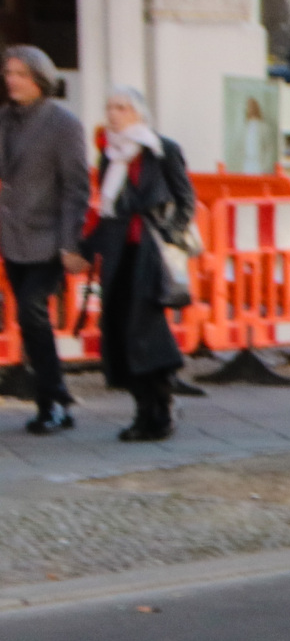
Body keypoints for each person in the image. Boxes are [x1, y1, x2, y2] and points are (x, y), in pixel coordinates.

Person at [82, 86, 194, 442]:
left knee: (144, 333)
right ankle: (145, 409)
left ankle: (158, 410)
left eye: (122, 107)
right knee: (118, 331)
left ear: (139, 114)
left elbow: (185, 201)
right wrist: (85, 248)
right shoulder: (110, 155)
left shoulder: (163, 151)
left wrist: (168, 233)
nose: (114, 114)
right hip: (119, 255)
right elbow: (108, 210)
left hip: (149, 255)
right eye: (110, 107)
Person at [0, 45, 91, 435]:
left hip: (49, 237)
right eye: (8, 72)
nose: (11, 80)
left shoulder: (62, 123)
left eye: (20, 73)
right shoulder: (5, 119)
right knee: (29, 318)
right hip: (12, 236)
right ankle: (56, 398)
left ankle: (52, 400)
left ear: (39, 78)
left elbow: (76, 188)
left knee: (31, 313)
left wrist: (70, 242)